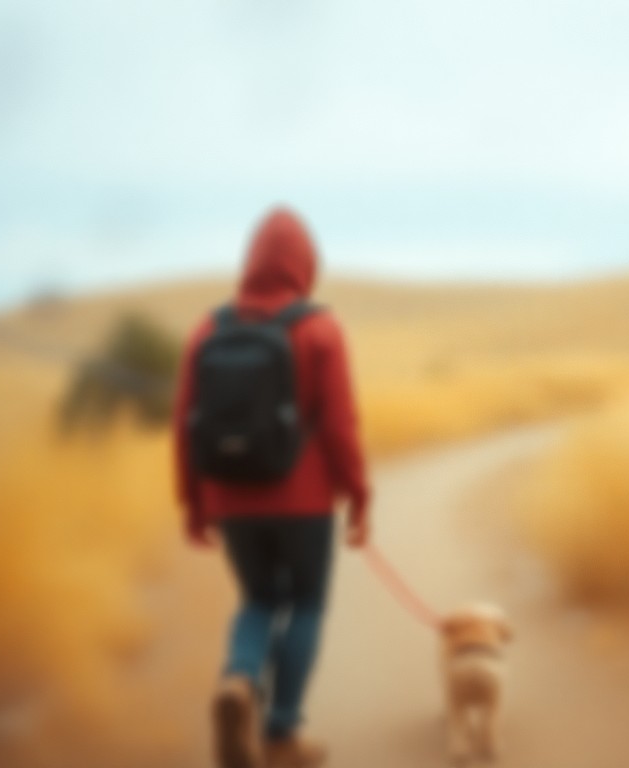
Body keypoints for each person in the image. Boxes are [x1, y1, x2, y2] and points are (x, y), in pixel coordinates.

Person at [173, 207, 370, 768]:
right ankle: (281, 733)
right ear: (305, 265)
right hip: (305, 503)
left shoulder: (206, 331)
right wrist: (359, 495)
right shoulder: (320, 328)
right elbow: (339, 426)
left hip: (231, 501)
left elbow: (184, 425)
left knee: (259, 598)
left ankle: (237, 682)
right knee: (305, 604)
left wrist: (194, 504)